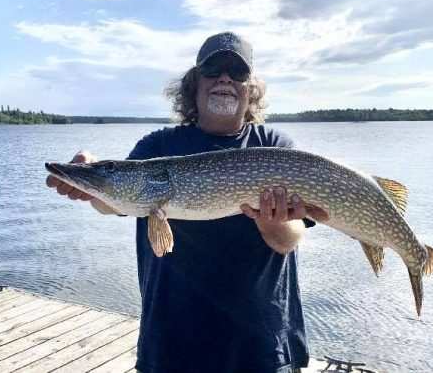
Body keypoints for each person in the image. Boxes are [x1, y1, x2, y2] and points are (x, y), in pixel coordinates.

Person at [46, 31, 315, 373]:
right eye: (213, 69)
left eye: (237, 73)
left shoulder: (273, 146)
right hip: (173, 342)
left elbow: (289, 240)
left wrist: (271, 220)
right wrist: (92, 183)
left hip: (261, 344)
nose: (224, 78)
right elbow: (117, 203)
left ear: (251, 89)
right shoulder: (158, 146)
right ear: (193, 84)